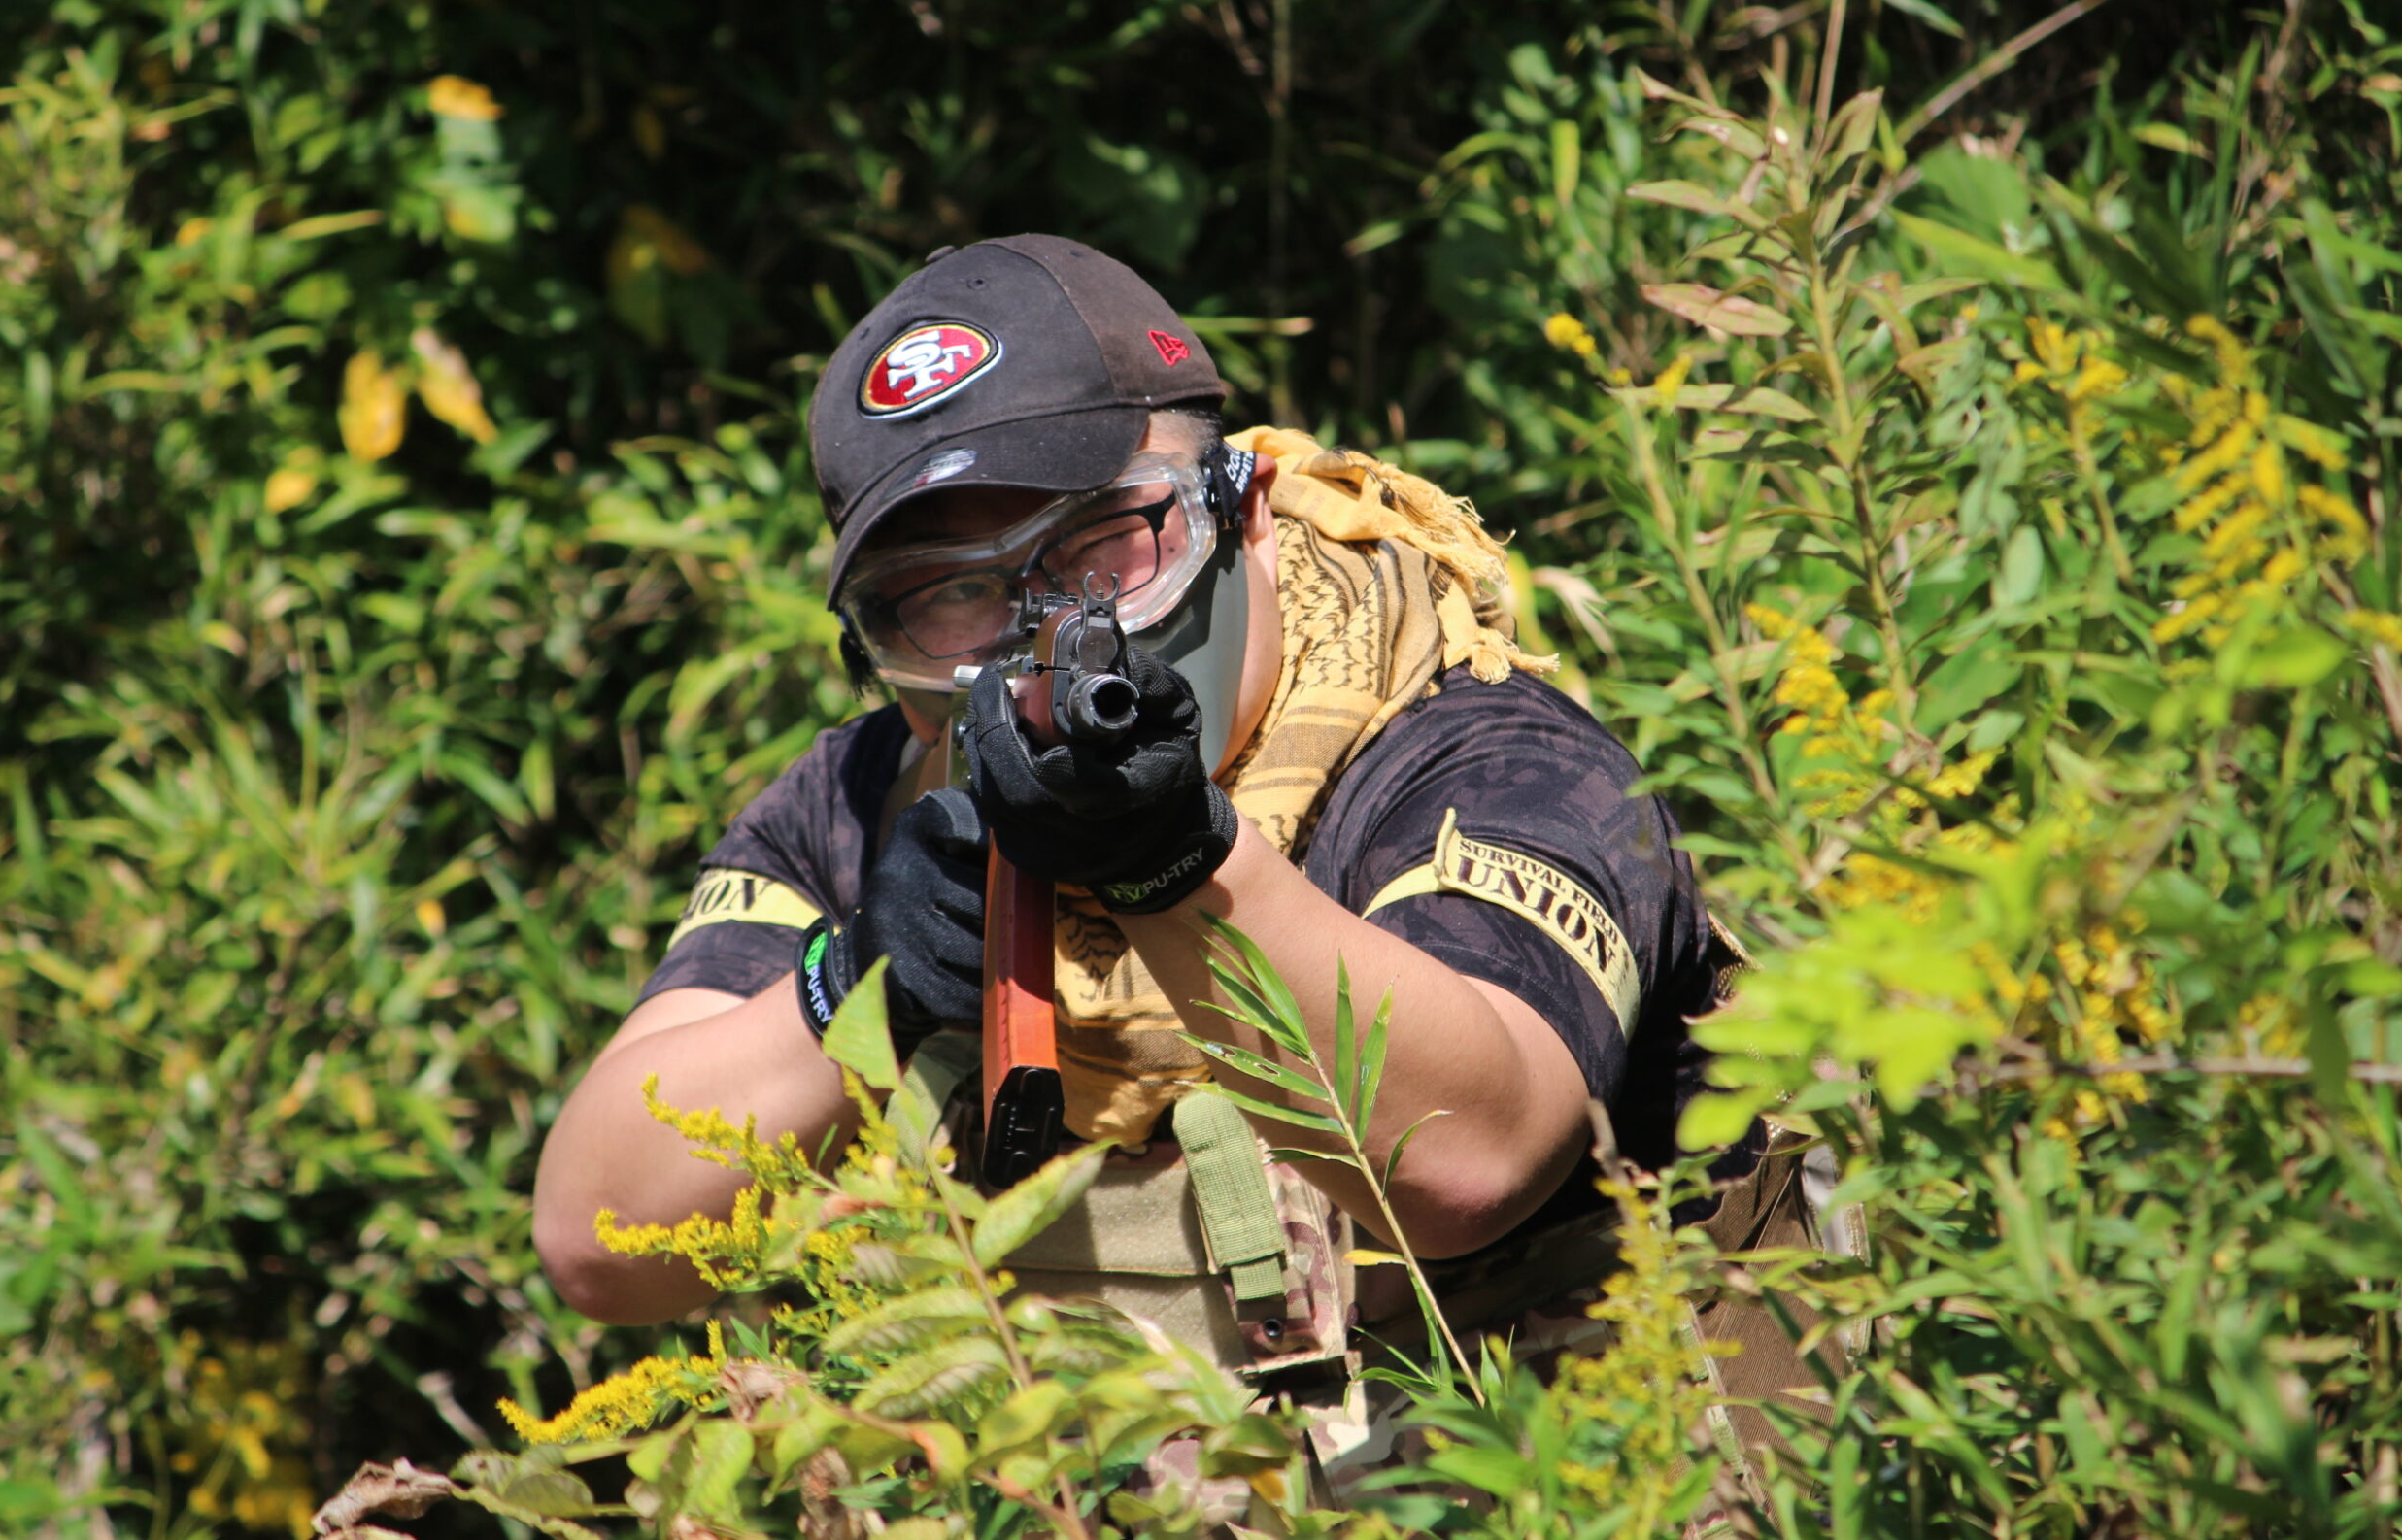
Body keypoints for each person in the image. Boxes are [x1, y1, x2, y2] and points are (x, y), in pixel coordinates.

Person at [531, 235, 1745, 1391]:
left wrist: (1181, 867)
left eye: (1101, 545)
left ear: (1241, 512)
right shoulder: (866, 801)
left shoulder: (1476, 749)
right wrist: (857, 988)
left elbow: (1473, 1161)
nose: (1045, 630)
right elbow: (598, 1242)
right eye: (950, 594)